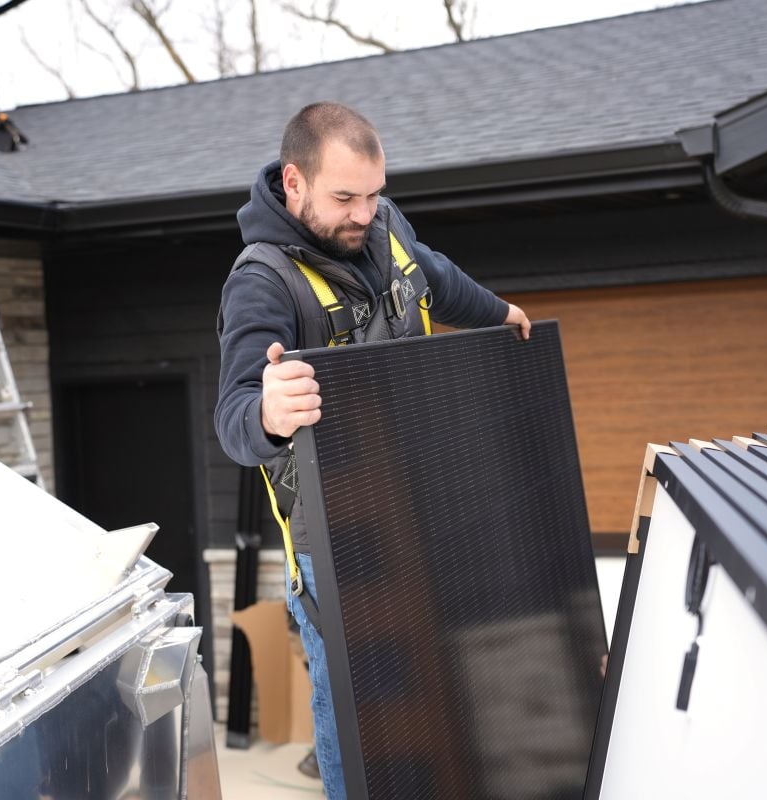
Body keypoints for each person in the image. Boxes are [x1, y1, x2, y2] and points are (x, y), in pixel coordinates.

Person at [215, 101, 530, 799]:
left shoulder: (383, 228)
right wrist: (267, 410)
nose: (364, 212)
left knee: (449, 713)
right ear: (294, 184)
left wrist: (498, 312)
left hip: (426, 513)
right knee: (363, 733)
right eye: (345, 197)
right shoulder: (262, 282)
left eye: (374, 193)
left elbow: (432, 276)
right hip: (338, 550)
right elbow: (232, 417)